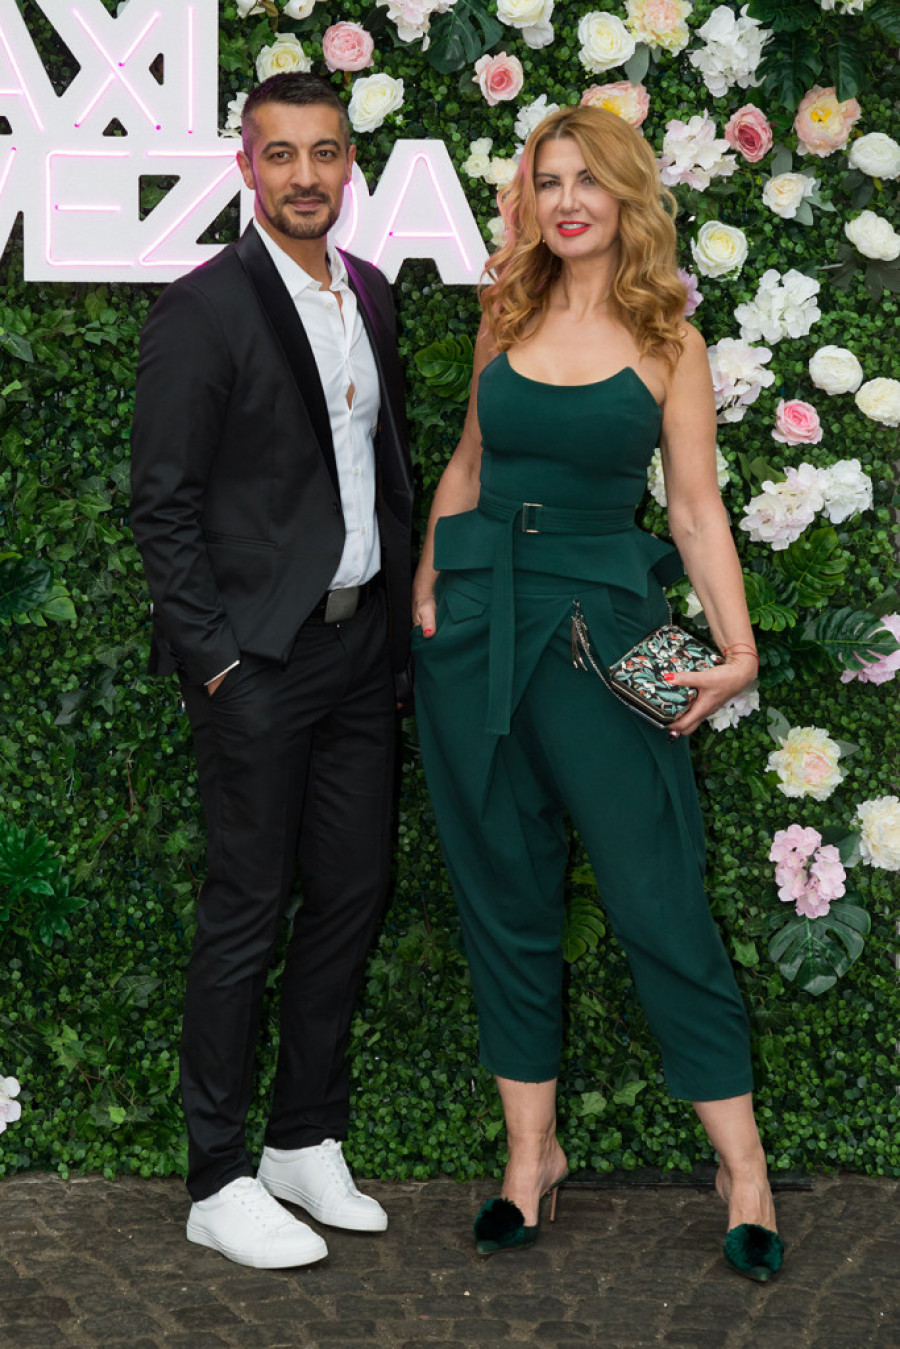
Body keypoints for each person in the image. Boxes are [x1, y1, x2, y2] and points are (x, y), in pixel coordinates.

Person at [411, 105, 783, 1281]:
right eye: (549, 178)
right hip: (476, 631)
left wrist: (739, 646)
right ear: (529, 197)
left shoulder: (671, 337)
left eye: (588, 179)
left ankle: (744, 1169)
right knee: (504, 892)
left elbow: (695, 508)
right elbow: (469, 462)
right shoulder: (505, 311)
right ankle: (531, 1157)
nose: (567, 199)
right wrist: (428, 582)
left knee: (657, 893)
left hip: (603, 636)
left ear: (626, 196)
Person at [130, 72, 413, 1269]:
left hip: (359, 651)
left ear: (351, 164)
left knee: (351, 893)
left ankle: (303, 1137)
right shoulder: (205, 309)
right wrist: (218, 668)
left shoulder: (373, 295)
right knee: (245, 913)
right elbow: (162, 505)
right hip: (257, 663)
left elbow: (383, 468)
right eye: (280, 153)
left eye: (326, 152)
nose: (306, 174)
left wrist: (395, 628)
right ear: (246, 167)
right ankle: (215, 1174)